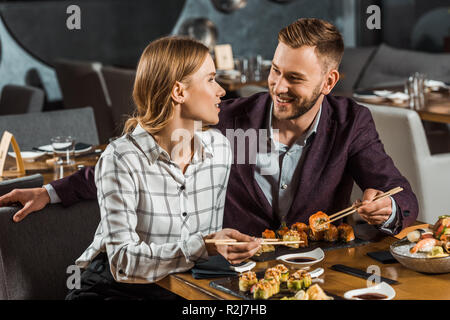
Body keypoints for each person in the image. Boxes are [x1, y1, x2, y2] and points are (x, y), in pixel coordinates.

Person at [1, 18, 418, 238]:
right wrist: (52, 191)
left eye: (295, 79)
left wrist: (386, 210)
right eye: (275, 71)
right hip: (230, 279)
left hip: (315, 274)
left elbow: (401, 196)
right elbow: (139, 156)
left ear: (329, 83)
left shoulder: (351, 123)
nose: (277, 86)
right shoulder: (229, 119)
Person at [60, 36, 261, 299]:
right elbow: (121, 261)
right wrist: (201, 247)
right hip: (113, 287)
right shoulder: (121, 158)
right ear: (179, 92)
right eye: (211, 79)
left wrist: (219, 247)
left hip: (179, 285)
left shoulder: (220, 149)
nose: (221, 90)